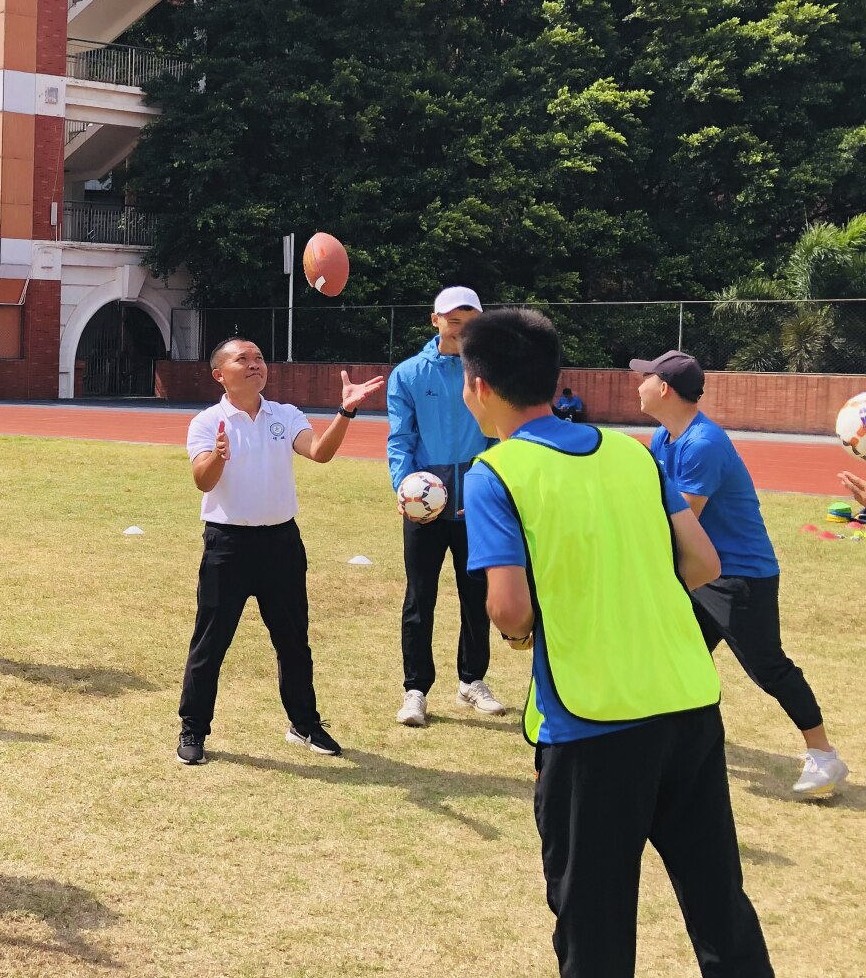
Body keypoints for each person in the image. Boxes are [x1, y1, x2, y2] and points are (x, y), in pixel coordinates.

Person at [460, 309, 771, 977]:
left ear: (479, 386)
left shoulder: (497, 473)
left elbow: (510, 610)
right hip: (686, 702)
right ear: (555, 378)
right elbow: (703, 564)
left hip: (590, 724)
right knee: (720, 906)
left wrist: (522, 634)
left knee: (595, 925)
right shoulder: (632, 452)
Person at [634, 349, 847, 796]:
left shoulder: (703, 443)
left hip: (740, 576)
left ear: (665, 389)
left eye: (645, 378)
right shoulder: (664, 440)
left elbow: (680, 521)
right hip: (700, 572)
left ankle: (824, 756)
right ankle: (675, 744)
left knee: (767, 666)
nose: (638, 384)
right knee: (679, 657)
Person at [176, 338, 385, 765]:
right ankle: (193, 730)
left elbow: (320, 453)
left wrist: (346, 410)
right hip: (227, 545)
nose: (254, 365)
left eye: (259, 359)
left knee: (293, 643)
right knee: (210, 645)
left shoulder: (285, 415)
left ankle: (304, 724)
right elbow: (203, 481)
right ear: (220, 374)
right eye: (242, 359)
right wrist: (217, 456)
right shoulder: (207, 422)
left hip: (281, 544)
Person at [385, 286, 504, 727]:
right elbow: (401, 438)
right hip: (425, 504)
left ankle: (471, 680)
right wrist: (405, 488)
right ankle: (415, 689)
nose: (461, 328)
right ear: (434, 320)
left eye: (469, 321)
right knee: (420, 597)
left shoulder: (489, 373)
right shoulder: (409, 374)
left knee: (476, 594)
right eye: (452, 320)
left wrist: (489, 489)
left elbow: (498, 435)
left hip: (476, 501)